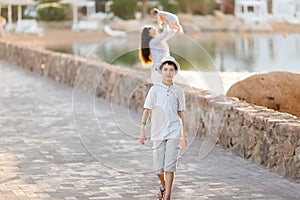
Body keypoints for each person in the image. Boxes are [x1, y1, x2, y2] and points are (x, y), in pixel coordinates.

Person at [139, 56, 187, 200]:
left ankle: (167, 197)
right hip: (157, 132)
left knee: (169, 167)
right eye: (165, 69)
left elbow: (181, 113)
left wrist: (184, 135)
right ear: (160, 71)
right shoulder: (154, 90)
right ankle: (164, 186)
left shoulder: (179, 91)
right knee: (158, 169)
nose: (168, 72)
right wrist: (142, 130)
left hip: (174, 131)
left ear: (175, 72)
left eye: (171, 70)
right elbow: (146, 110)